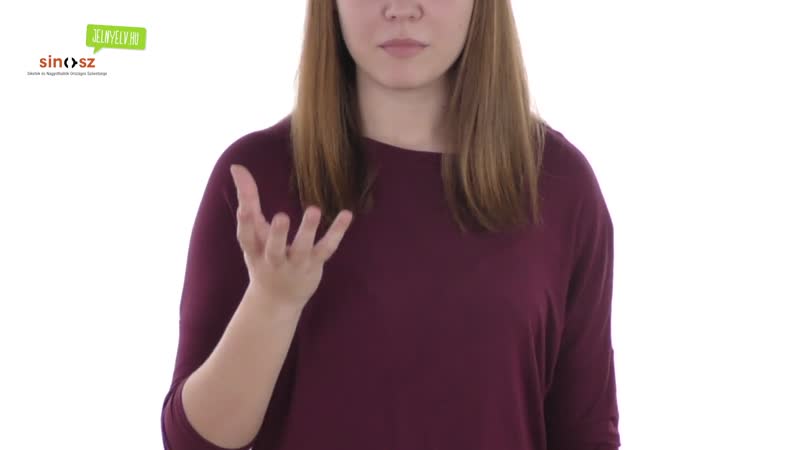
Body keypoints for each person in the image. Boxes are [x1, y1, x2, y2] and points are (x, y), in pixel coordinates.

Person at [160, 1, 621, 449]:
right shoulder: (256, 181)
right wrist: (272, 303)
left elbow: (586, 433)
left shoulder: (560, 185)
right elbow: (193, 442)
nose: (401, 8)